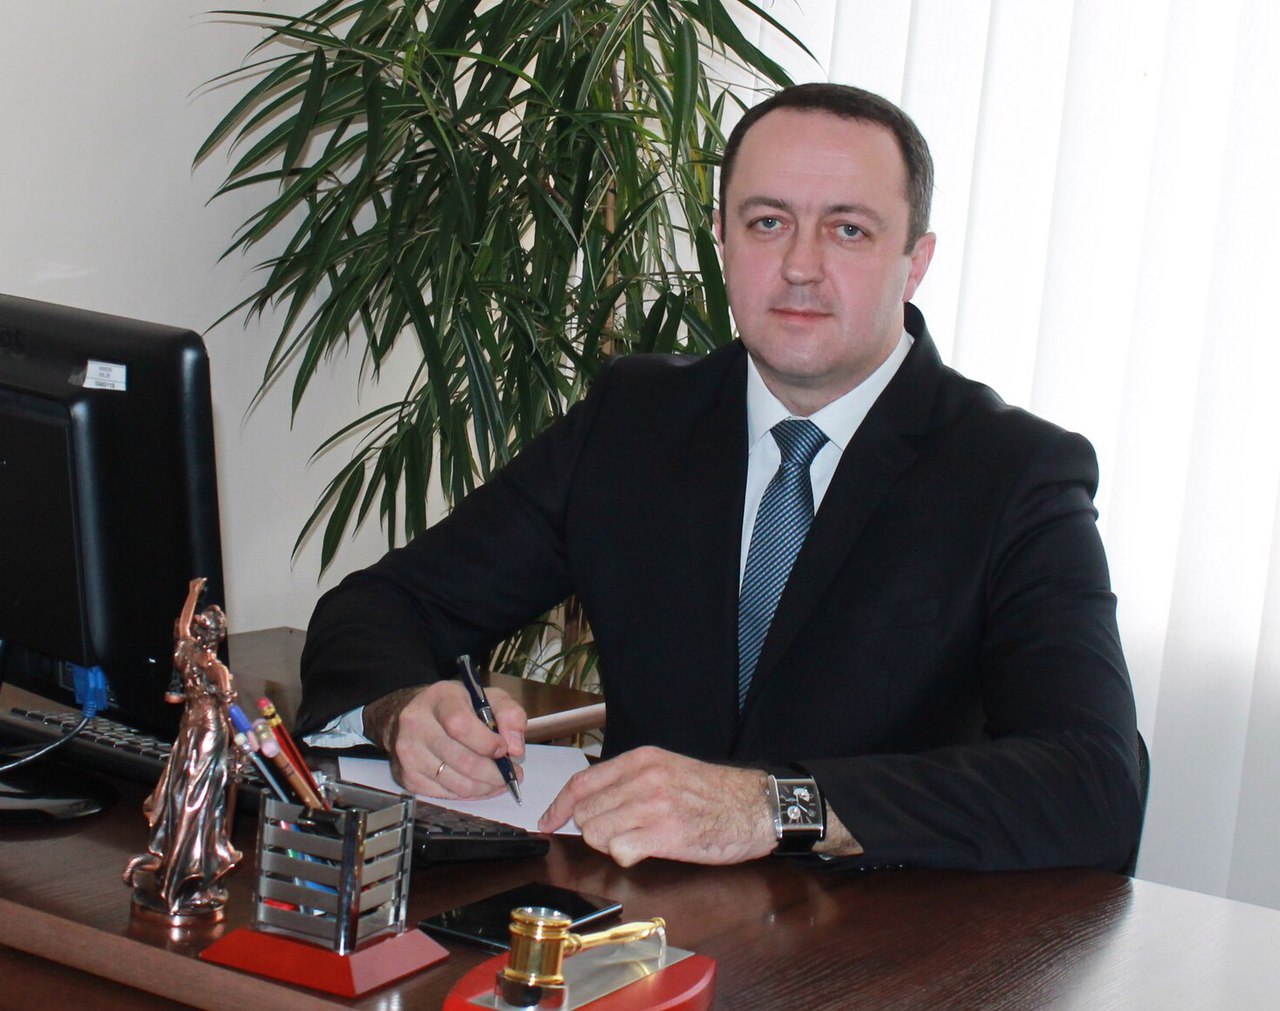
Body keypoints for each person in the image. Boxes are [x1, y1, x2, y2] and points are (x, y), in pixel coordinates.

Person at [296, 83, 1143, 873]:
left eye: (849, 230)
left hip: (880, 937)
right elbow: (381, 607)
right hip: (634, 924)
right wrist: (404, 709)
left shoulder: (1015, 472)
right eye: (768, 222)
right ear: (723, 239)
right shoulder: (635, 419)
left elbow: (1094, 780)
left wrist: (780, 805)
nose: (801, 265)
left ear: (914, 261)